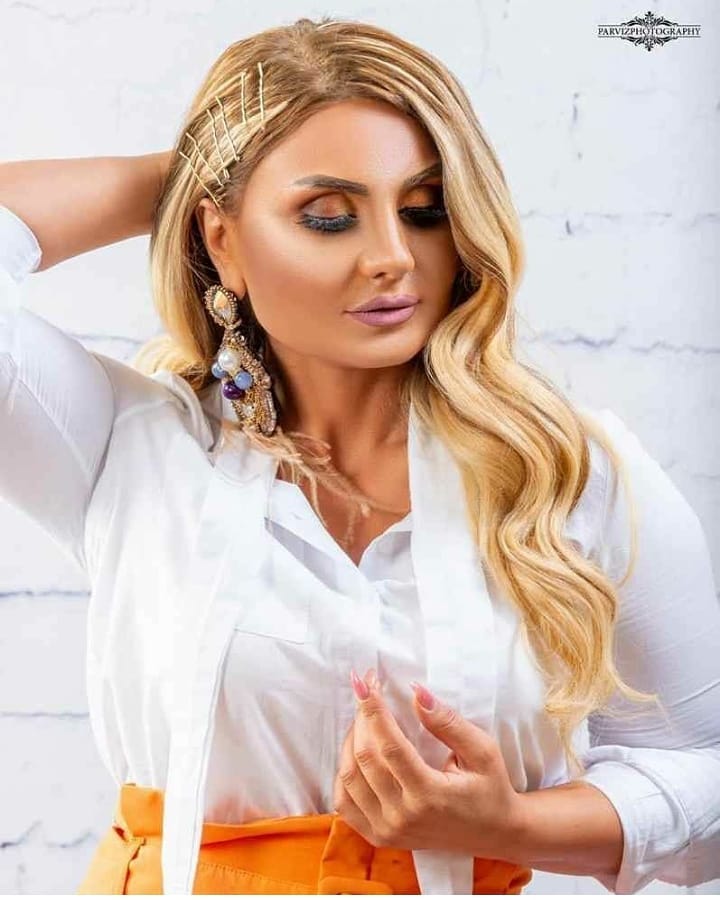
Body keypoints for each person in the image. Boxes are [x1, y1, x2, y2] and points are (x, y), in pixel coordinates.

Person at [1, 15, 719, 896]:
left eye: (425, 210)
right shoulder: (127, 444)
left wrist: (509, 826)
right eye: (328, 216)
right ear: (221, 240)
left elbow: (706, 776)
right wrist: (197, 166)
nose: (392, 257)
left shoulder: (568, 473)